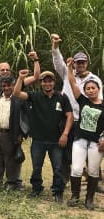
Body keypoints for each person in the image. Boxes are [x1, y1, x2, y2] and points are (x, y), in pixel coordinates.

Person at [13, 69, 74, 203]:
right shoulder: (35, 96)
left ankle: (58, 191)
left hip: (56, 140)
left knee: (58, 167)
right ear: (41, 83)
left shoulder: (62, 97)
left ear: (54, 82)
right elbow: (16, 93)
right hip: (38, 139)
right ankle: (36, 188)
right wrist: (20, 78)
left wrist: (65, 134)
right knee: (36, 166)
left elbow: (70, 116)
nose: (47, 84)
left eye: (50, 81)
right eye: (44, 81)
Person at [51, 33, 103, 187]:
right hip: (68, 118)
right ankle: (67, 179)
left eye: (83, 63)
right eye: (77, 63)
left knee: (92, 150)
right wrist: (55, 46)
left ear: (86, 63)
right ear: (73, 63)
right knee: (68, 151)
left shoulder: (94, 80)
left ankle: (96, 181)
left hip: (88, 121)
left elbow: (100, 103)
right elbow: (57, 62)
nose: (80, 65)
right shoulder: (68, 74)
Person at [65, 57, 104, 209]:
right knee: (76, 168)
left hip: (96, 143)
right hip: (80, 140)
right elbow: (72, 82)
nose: (90, 90)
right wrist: (69, 67)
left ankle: (89, 199)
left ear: (98, 89)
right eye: (88, 88)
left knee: (93, 171)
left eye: (93, 88)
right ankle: (75, 196)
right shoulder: (83, 101)